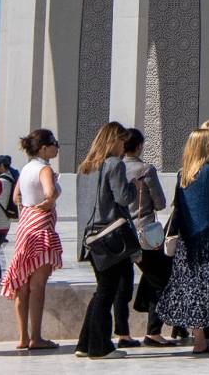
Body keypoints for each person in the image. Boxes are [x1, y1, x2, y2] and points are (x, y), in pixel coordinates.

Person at [157, 128, 209, 354]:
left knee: (194, 291)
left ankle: (199, 340)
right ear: (204, 146)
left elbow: (179, 208)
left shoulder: (183, 173)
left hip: (188, 242)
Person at [73, 122, 137, 360]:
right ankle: (100, 347)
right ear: (113, 141)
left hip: (90, 238)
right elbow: (123, 198)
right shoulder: (114, 164)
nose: (124, 147)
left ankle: (85, 342)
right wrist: (133, 186)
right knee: (109, 290)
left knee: (103, 289)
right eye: (122, 141)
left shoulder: (85, 167)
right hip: (111, 237)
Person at [1, 129, 64, 352]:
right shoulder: (45, 169)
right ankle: (36, 337)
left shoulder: (27, 168)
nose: (57, 147)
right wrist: (51, 199)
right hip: (41, 227)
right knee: (38, 286)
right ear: (44, 148)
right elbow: (49, 193)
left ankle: (23, 336)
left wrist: (30, 206)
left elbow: (16, 196)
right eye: (54, 143)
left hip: (25, 226)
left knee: (22, 283)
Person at [123, 128, 174, 347]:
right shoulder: (145, 169)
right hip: (145, 234)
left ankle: (122, 333)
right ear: (139, 146)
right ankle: (153, 331)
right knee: (162, 279)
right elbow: (160, 202)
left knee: (125, 282)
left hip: (123, 232)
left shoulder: (115, 168)